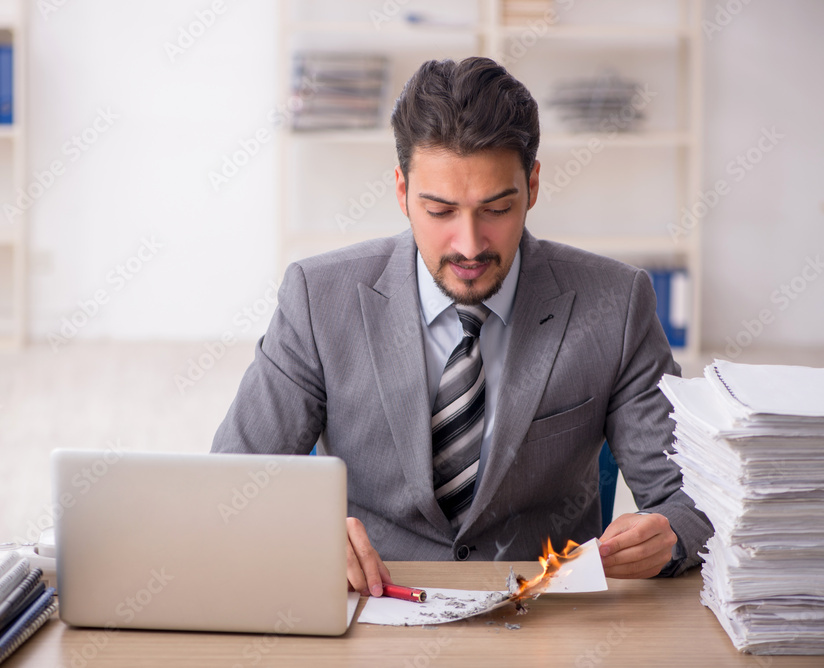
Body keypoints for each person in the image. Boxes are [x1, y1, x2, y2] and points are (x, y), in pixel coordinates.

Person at [210, 56, 712, 598]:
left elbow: (693, 499)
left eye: (496, 209)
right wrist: (303, 535)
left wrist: (672, 536)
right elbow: (230, 487)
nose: (470, 246)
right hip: (373, 610)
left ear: (534, 186)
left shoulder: (615, 304)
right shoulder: (318, 299)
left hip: (547, 621)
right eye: (441, 211)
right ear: (402, 192)